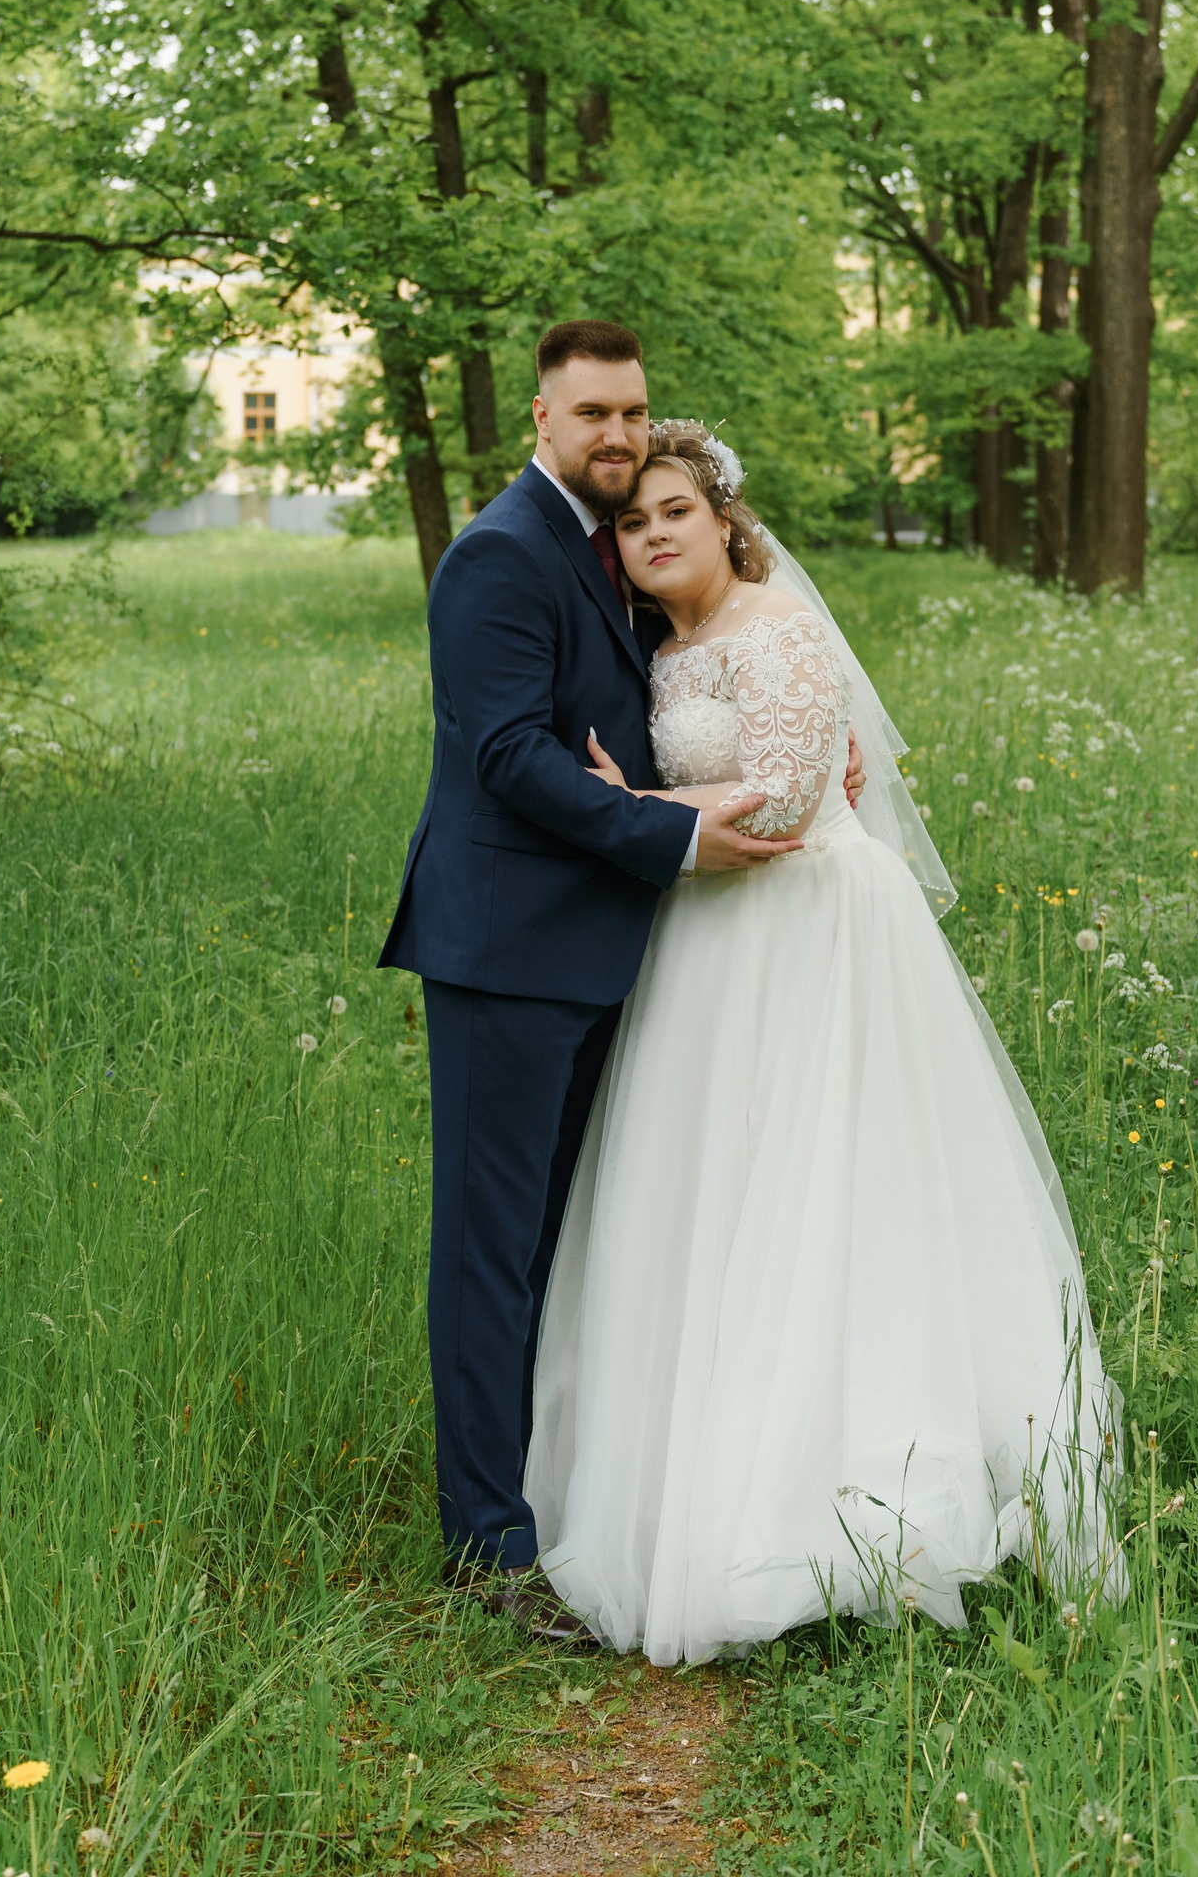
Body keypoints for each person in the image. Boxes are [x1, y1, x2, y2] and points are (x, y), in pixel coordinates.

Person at [525, 423, 1122, 1665]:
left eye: (675, 512)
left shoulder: (782, 629)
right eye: (632, 522)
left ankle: (852, 1498)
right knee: (715, 1194)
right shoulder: (662, 648)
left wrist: (631, 806)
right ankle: (707, 1474)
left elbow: (793, 796)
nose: (654, 535)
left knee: (835, 1191)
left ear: (723, 519)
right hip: (707, 939)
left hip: (811, 932)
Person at [382, 323, 863, 1640]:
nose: (616, 433)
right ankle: (488, 1548)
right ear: (541, 418)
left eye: (632, 411)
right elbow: (508, 756)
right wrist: (676, 832)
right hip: (507, 953)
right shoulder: (499, 555)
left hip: (611, 951)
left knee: (566, 1244)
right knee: (491, 1252)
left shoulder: (617, 547)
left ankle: (561, 1488)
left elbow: (694, 687)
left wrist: (810, 747)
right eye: (591, 412)